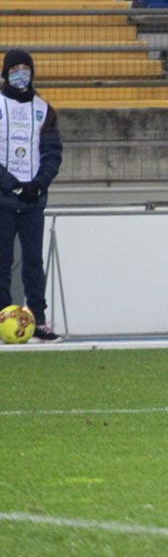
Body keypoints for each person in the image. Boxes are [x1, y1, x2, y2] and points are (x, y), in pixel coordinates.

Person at [0, 49, 63, 343]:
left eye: (26, 68)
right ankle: (2, 319)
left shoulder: (44, 109)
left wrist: (38, 184)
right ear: (5, 73)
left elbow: (52, 153)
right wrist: (11, 184)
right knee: (2, 262)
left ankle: (38, 321)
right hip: (2, 200)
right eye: (15, 69)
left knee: (33, 263)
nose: (21, 73)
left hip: (32, 201)